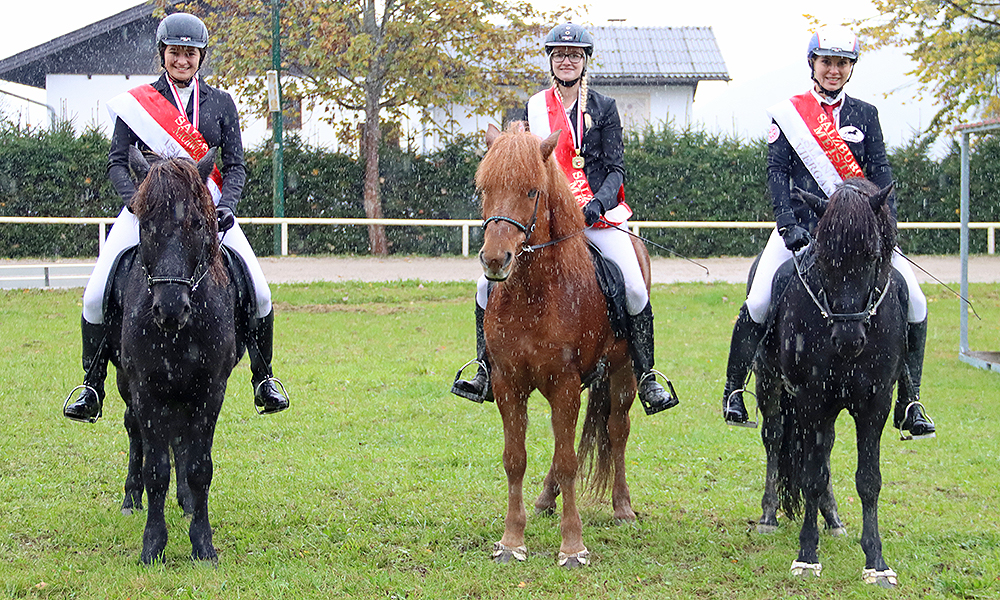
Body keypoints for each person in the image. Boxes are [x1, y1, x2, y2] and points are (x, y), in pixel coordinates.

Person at [63, 12, 289, 423]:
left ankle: (264, 378)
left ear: (200, 56)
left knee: (260, 292)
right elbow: (117, 162)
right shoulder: (138, 104)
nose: (182, 60)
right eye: (174, 53)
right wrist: (137, 202)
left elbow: (235, 167)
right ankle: (92, 384)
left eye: (190, 54)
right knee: (95, 294)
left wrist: (226, 206)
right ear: (162, 55)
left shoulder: (221, 103)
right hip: (149, 211)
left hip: (206, 212)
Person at [451, 23, 678, 416]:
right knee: (484, 287)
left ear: (585, 61)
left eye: (574, 55)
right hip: (547, 221)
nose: (567, 60)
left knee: (636, 288)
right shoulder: (532, 108)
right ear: (551, 61)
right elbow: (518, 168)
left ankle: (646, 377)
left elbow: (615, 169)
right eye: (559, 55)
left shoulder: (604, 109)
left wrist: (599, 203)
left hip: (595, 218)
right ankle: (483, 369)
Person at [720, 26, 935, 439]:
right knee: (760, 297)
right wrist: (787, 224)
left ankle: (910, 400)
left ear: (850, 68)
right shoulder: (788, 114)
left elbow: (881, 170)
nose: (833, 70)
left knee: (917, 302)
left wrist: (885, 222)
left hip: (858, 236)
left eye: (842, 63)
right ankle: (734, 390)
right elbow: (777, 171)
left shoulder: (865, 114)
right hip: (803, 227)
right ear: (812, 65)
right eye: (827, 62)